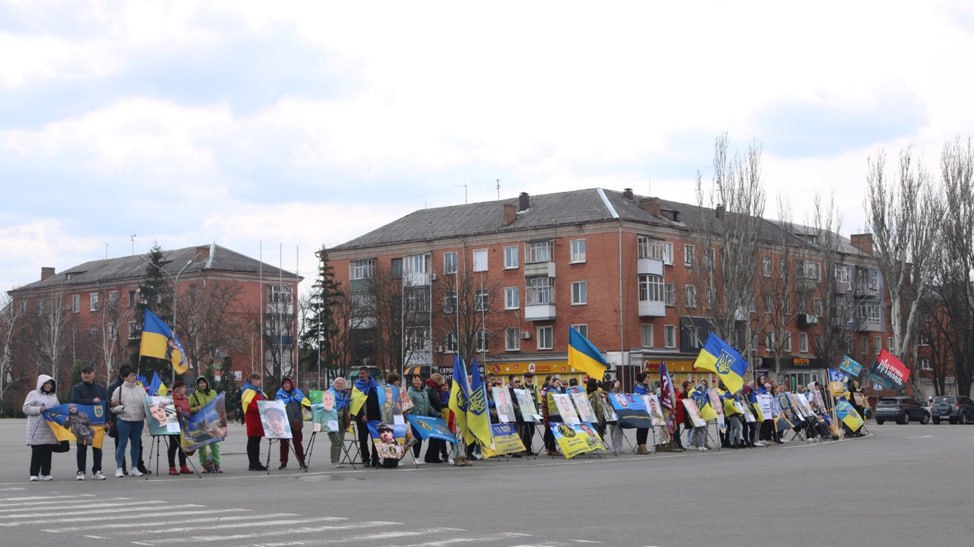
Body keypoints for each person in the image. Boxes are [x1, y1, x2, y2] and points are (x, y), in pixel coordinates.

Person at [70, 364, 107, 480]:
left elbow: (106, 404)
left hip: (98, 423)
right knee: (81, 448)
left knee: (97, 448)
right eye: (84, 373)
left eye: (89, 373)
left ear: (93, 375)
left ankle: (97, 470)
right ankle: (81, 471)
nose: (86, 375)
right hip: (82, 423)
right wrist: (91, 401)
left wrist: (108, 421)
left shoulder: (100, 388)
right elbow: (75, 401)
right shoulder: (77, 388)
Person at [110, 365, 147, 477]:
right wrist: (120, 409)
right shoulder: (119, 390)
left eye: (134, 375)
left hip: (138, 420)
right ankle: (119, 467)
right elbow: (112, 406)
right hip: (124, 419)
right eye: (131, 375)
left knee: (135, 444)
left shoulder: (141, 390)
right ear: (125, 377)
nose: (134, 377)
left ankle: (134, 467)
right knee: (122, 443)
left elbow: (147, 403)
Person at [24, 374, 60, 481]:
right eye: (46, 384)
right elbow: (26, 408)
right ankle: (34, 473)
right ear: (41, 384)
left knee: (47, 451)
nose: (48, 386)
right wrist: (39, 409)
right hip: (37, 428)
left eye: (50, 384)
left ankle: (46, 473)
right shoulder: (33, 394)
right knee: (37, 451)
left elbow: (58, 408)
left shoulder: (54, 397)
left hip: (49, 428)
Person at [189, 375, 222, 473]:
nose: (202, 384)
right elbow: (189, 409)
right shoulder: (193, 396)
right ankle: (205, 465)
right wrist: (196, 409)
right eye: (200, 383)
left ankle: (217, 464)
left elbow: (218, 405)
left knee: (214, 444)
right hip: (200, 423)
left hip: (212, 422)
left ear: (207, 383)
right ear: (197, 385)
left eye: (203, 382)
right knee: (202, 446)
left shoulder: (213, 393)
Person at [276, 377, 308, 470]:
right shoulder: (279, 394)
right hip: (284, 423)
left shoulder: (298, 393)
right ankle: (283, 462)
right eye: (284, 384)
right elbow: (277, 405)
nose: (286, 385)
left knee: (298, 443)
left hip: (296, 422)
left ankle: (301, 461)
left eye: (288, 383)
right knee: (284, 444)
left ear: (291, 384)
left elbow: (305, 402)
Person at [353, 367, 381, 467]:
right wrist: (362, 415)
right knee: (363, 440)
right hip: (362, 418)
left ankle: (375, 460)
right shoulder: (357, 387)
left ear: (368, 374)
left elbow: (380, 401)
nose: (361, 375)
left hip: (375, 417)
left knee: (376, 439)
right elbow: (356, 403)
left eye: (363, 373)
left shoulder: (375, 386)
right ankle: (365, 460)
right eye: (359, 373)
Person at [241, 373, 268, 471]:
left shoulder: (258, 392)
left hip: (259, 419)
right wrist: (261, 408)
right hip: (252, 419)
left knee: (257, 442)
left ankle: (256, 462)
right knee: (252, 441)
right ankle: (253, 463)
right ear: (251, 380)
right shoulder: (248, 391)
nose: (257, 381)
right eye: (255, 379)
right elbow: (248, 406)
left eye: (258, 379)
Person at [167, 381, 192, 475]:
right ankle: (172, 467)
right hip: (174, 425)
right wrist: (176, 410)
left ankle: (183, 466)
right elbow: (168, 411)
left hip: (184, 426)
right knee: (173, 446)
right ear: (177, 389)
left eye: (185, 388)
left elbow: (189, 409)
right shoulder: (171, 399)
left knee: (183, 446)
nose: (184, 390)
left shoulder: (186, 398)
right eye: (183, 388)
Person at [406, 374, 432, 463]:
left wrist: (436, 414)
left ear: (421, 382)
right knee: (417, 437)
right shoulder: (410, 392)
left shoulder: (424, 392)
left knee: (420, 437)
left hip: (423, 418)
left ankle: (415, 454)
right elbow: (409, 406)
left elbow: (428, 406)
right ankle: (416, 458)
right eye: (414, 380)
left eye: (417, 380)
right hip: (415, 418)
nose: (415, 382)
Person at [326, 377, 351, 468]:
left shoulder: (345, 395)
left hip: (343, 421)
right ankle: (334, 462)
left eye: (341, 383)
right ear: (334, 384)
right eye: (337, 383)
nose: (339, 384)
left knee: (340, 441)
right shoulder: (329, 393)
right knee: (336, 441)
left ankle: (337, 461)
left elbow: (347, 406)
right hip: (331, 420)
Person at [633, 372, 652, 454]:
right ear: (644, 378)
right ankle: (640, 445)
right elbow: (638, 396)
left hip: (646, 410)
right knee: (641, 428)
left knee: (646, 428)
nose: (648, 379)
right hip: (640, 410)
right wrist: (647, 395)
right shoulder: (638, 386)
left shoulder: (646, 387)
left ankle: (644, 444)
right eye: (647, 377)